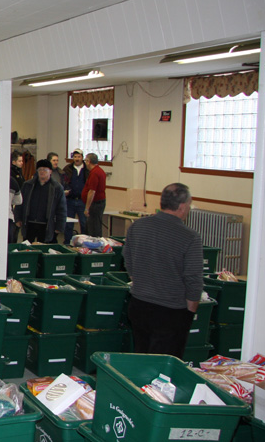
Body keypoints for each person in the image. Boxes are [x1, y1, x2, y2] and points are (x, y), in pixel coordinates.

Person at [122, 184, 203, 358]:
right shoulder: (190, 237)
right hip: (171, 311)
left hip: (139, 305)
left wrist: (140, 281)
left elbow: (127, 258)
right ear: (182, 207)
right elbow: (194, 280)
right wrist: (190, 312)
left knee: (141, 356)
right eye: (189, 204)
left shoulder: (138, 226)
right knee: (163, 368)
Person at [17, 159, 66, 243]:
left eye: (45, 169)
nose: (42, 172)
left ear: (50, 171)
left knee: (44, 249)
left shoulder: (57, 188)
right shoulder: (28, 185)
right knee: (27, 247)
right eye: (40, 169)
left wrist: (59, 226)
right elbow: (20, 202)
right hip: (29, 223)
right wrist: (18, 218)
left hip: (46, 224)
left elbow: (61, 208)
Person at [61, 149, 88, 242]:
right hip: (70, 200)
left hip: (82, 201)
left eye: (79, 157)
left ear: (82, 157)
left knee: (84, 223)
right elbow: (63, 181)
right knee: (68, 224)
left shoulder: (87, 169)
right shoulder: (67, 169)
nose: (77, 159)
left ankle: (84, 243)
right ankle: (67, 243)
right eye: (75, 157)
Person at [81, 152, 107, 236]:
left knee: (93, 229)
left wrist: (87, 208)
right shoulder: (99, 171)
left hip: (95, 204)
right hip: (98, 203)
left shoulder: (95, 173)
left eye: (85, 161)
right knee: (92, 227)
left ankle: (95, 247)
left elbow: (92, 191)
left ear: (88, 161)